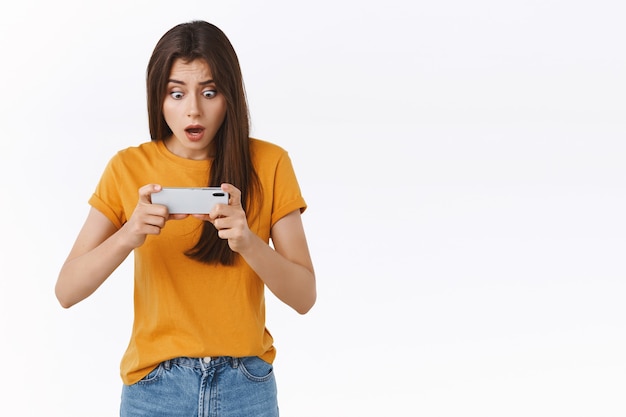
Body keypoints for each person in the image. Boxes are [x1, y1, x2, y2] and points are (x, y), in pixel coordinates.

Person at [55, 20, 316, 417]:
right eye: (176, 93)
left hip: (245, 386)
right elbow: (66, 291)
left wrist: (247, 241)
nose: (193, 110)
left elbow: (304, 297)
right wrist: (129, 235)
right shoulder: (129, 167)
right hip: (154, 389)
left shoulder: (269, 163)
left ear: (229, 95)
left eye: (209, 92)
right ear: (158, 99)